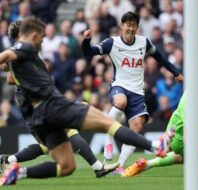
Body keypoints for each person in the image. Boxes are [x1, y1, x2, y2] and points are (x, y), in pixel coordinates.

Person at [0, 17, 169, 186]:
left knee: (67, 166)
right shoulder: (25, 48)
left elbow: (8, 71)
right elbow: (7, 55)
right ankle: (155, 146)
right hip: (52, 105)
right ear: (34, 35)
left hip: (38, 116)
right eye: (42, 36)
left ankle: (19, 172)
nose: (43, 40)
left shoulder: (19, 56)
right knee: (106, 122)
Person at [0, 20, 119, 178]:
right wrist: (31, 80)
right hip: (34, 99)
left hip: (34, 99)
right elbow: (9, 77)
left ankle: (7, 159)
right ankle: (98, 167)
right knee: (69, 131)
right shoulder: (19, 50)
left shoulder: (25, 49)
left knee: (47, 145)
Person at [81, 11, 184, 173]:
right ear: (122, 26)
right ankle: (109, 138)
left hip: (137, 92)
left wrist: (176, 73)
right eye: (128, 24)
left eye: (134, 25)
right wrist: (86, 40)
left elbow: (161, 58)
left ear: (137, 27)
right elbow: (88, 52)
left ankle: (119, 166)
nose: (131, 28)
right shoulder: (112, 43)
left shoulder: (144, 42)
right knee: (121, 102)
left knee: (136, 128)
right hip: (119, 86)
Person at [122, 65, 198, 177]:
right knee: (185, 158)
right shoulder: (190, 102)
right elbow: (187, 140)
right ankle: (147, 164)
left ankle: (145, 164)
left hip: (187, 132)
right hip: (179, 136)